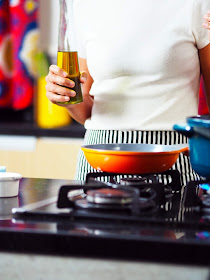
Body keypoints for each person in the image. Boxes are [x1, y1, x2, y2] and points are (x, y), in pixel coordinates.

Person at [45, 1, 210, 185]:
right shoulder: (83, 4)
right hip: (99, 162)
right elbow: (86, 112)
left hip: (173, 160)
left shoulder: (197, 3)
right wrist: (67, 97)